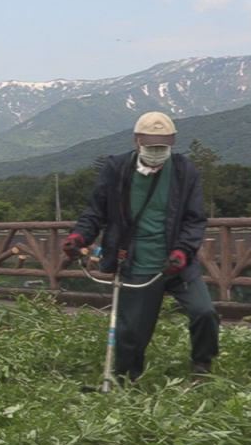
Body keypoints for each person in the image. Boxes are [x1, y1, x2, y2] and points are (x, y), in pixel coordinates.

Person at [61, 111, 220, 380]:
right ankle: (127, 379)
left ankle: (202, 365)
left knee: (204, 312)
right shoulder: (117, 169)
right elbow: (95, 212)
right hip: (135, 260)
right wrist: (79, 237)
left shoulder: (184, 171)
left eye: (163, 147)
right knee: (132, 330)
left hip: (177, 261)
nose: (157, 152)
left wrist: (183, 251)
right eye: (152, 147)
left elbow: (195, 219)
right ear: (137, 142)